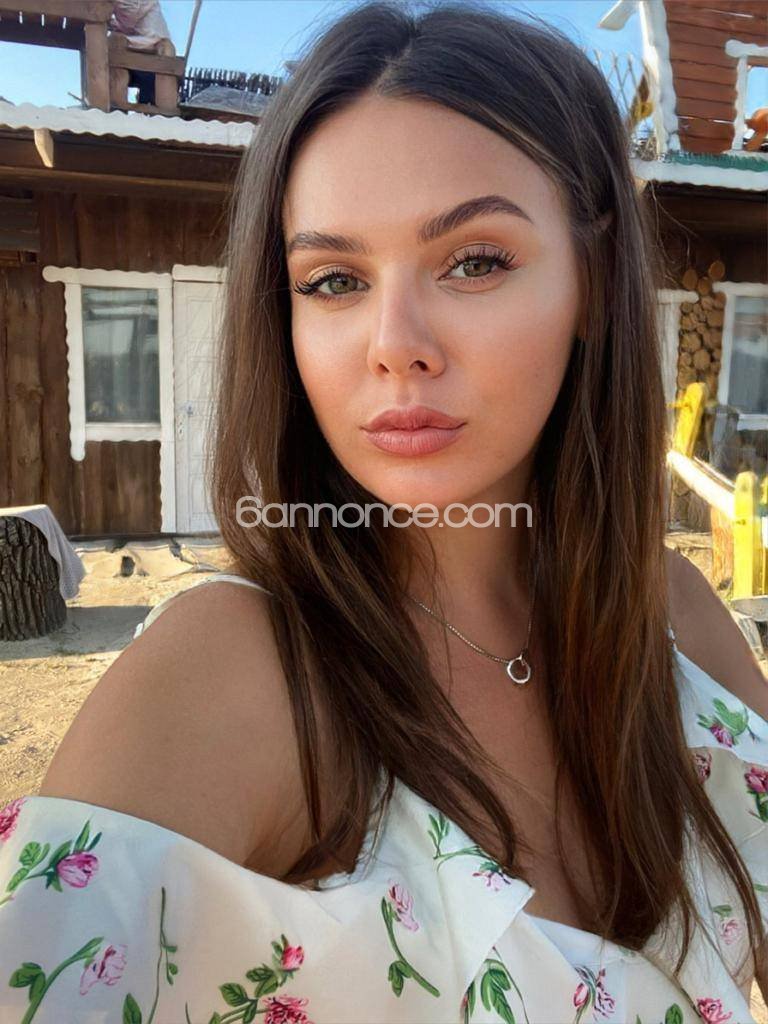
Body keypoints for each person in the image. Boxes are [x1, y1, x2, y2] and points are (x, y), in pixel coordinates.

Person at [2, 1, 767, 1021]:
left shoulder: (679, 623)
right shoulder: (236, 674)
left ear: (591, 282)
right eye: (333, 280)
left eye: (475, 261)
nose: (394, 343)